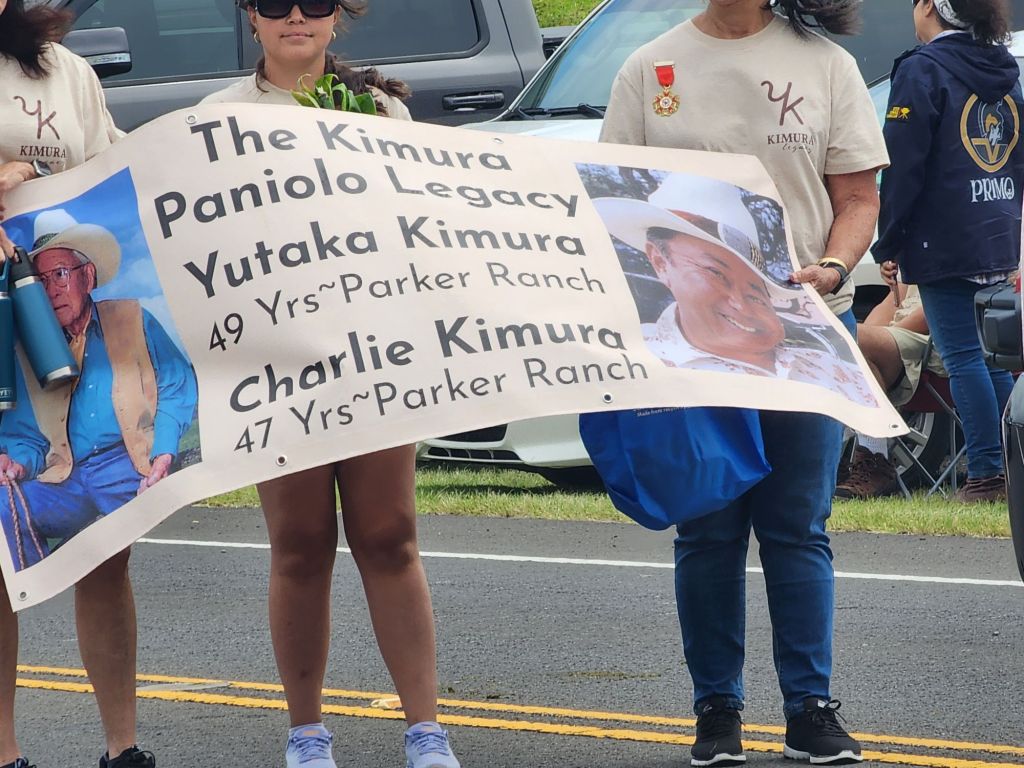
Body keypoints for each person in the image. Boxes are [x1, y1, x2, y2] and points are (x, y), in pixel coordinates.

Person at [602, 0, 889, 764]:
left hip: (806, 334)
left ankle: (810, 710)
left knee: (798, 526)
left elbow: (858, 197)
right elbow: (597, 205)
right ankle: (716, 712)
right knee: (708, 528)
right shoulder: (648, 70)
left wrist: (834, 266)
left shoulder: (825, 64)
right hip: (695, 356)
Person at [201, 3, 459, 768]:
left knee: (389, 536)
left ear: (338, 16)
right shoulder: (216, 119)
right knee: (300, 544)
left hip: (375, 353)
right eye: (274, 2)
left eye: (314, 1)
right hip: (278, 361)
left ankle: (426, 731)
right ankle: (307, 734)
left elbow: (419, 223)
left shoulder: (381, 109)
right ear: (250, 16)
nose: (295, 16)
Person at [0, 2, 158, 767]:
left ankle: (122, 747)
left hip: (63, 328)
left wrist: (32, 172)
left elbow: (113, 178)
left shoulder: (64, 72)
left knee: (105, 542)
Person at [872, 0, 1024, 503]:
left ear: (931, 8)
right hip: (997, 230)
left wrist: (889, 240)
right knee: (994, 360)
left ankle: (986, 475)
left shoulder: (922, 69)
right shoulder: (1004, 70)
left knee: (961, 358)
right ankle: (1015, 468)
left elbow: (902, 165)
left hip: (943, 237)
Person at [0, 210, 198, 569]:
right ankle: (38, 585)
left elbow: (176, 385)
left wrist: (163, 453)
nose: (52, 290)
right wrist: (16, 463)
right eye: (40, 280)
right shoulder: (27, 348)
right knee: (5, 505)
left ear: (88, 276)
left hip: (127, 465)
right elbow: (26, 435)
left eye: (61, 274)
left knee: (109, 569)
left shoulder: (133, 318)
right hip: (66, 478)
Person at [595, 175, 876, 406]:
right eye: (715, 273)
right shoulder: (632, 357)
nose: (740, 304)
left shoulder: (823, 366)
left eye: (756, 291)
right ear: (659, 261)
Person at [835, 280, 946, 498]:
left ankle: (874, 457)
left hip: (939, 340)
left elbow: (937, 307)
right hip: (906, 335)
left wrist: (877, 339)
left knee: (852, 340)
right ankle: (837, 457)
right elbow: (892, 302)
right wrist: (871, 337)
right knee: (843, 338)